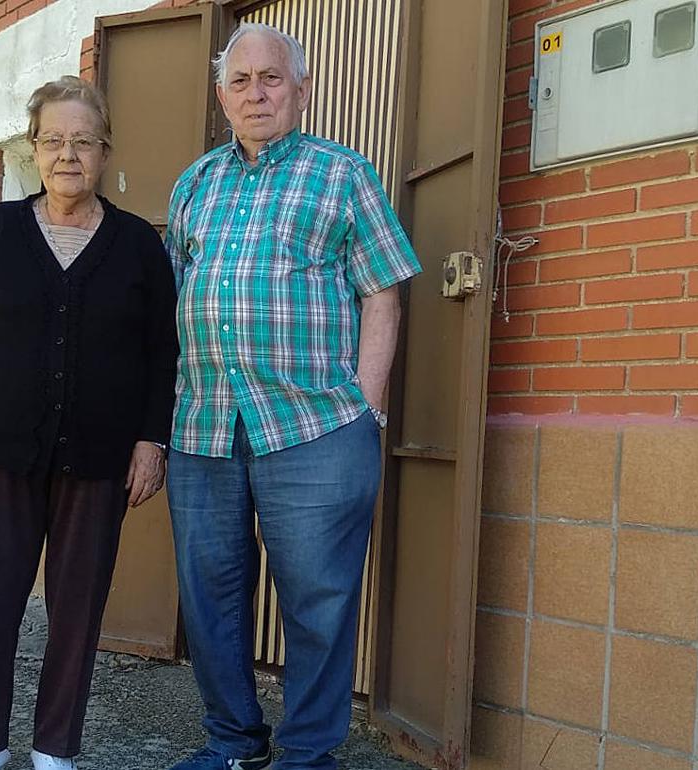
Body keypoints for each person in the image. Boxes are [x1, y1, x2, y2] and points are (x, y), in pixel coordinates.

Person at [164, 23, 421, 770]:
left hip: (314, 427)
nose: (256, 93)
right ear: (221, 96)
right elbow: (176, 297)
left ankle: (307, 755)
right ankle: (234, 743)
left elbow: (384, 294)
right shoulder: (195, 184)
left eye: (271, 78)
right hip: (205, 426)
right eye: (240, 81)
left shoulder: (343, 174)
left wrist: (367, 409)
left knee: (319, 603)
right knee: (210, 598)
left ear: (301, 89)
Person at [0, 75, 178, 770]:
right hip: (1, 452)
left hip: (100, 462)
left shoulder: (137, 246)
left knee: (78, 609)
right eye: (54, 139)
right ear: (33, 148)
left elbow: (161, 355)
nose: (68, 154)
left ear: (105, 151)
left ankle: (56, 748)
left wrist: (154, 440)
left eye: (83, 141)